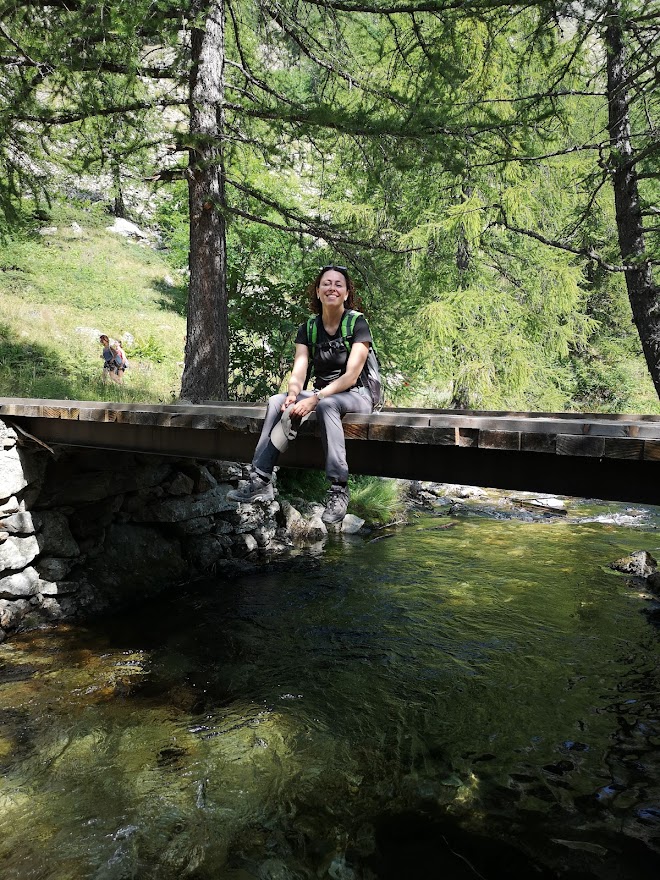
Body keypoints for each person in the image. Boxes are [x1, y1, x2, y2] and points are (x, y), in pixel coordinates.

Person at [227, 265, 375, 524]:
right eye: (326, 283)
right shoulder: (308, 327)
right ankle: (260, 479)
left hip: (357, 395)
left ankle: (339, 490)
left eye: (338, 284)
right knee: (276, 401)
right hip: (323, 394)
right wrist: (293, 394)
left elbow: (351, 376)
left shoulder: (357, 323)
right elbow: (300, 369)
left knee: (328, 405)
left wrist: (315, 399)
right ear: (318, 292)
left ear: (347, 292)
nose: (332, 288)